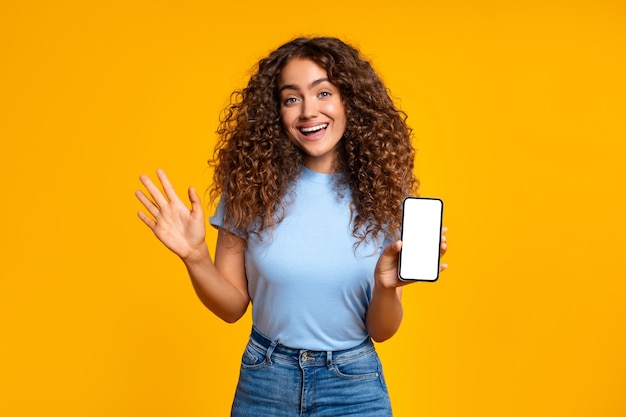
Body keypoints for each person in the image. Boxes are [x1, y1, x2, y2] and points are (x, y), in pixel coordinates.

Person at [135, 36, 448, 417]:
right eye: (291, 98)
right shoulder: (249, 186)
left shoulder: (382, 194)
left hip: (353, 384)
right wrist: (195, 256)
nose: (308, 112)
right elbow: (232, 307)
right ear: (276, 112)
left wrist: (386, 287)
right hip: (266, 379)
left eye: (323, 93)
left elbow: (381, 330)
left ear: (350, 101)